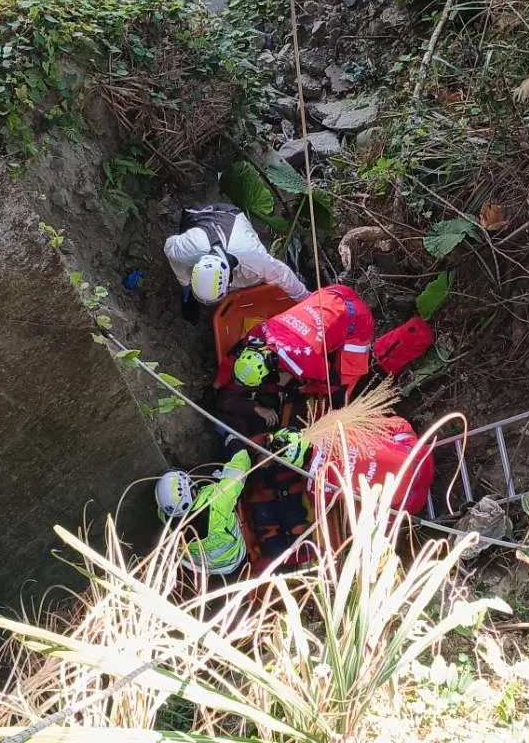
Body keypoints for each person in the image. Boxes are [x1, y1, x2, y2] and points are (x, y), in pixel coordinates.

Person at [164, 201, 307, 317]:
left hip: (232, 216)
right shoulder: (187, 249)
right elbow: (169, 247)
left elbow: (283, 275)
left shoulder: (254, 257)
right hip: (202, 218)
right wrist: (185, 286)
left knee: (256, 278)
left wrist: (305, 299)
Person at [230, 283, 375, 396]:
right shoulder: (258, 333)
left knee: (342, 389)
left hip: (357, 319)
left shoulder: (301, 360)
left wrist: (301, 390)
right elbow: (233, 352)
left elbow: (331, 383)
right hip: (330, 294)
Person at [272, 418, 434, 515]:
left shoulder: (316, 487)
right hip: (421, 456)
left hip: (412, 499)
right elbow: (394, 423)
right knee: (393, 426)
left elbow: (320, 509)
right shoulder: (333, 428)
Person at [155, 448, 251, 576]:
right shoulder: (216, 502)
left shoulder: (164, 516)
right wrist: (233, 442)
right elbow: (241, 466)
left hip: (204, 567)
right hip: (235, 557)